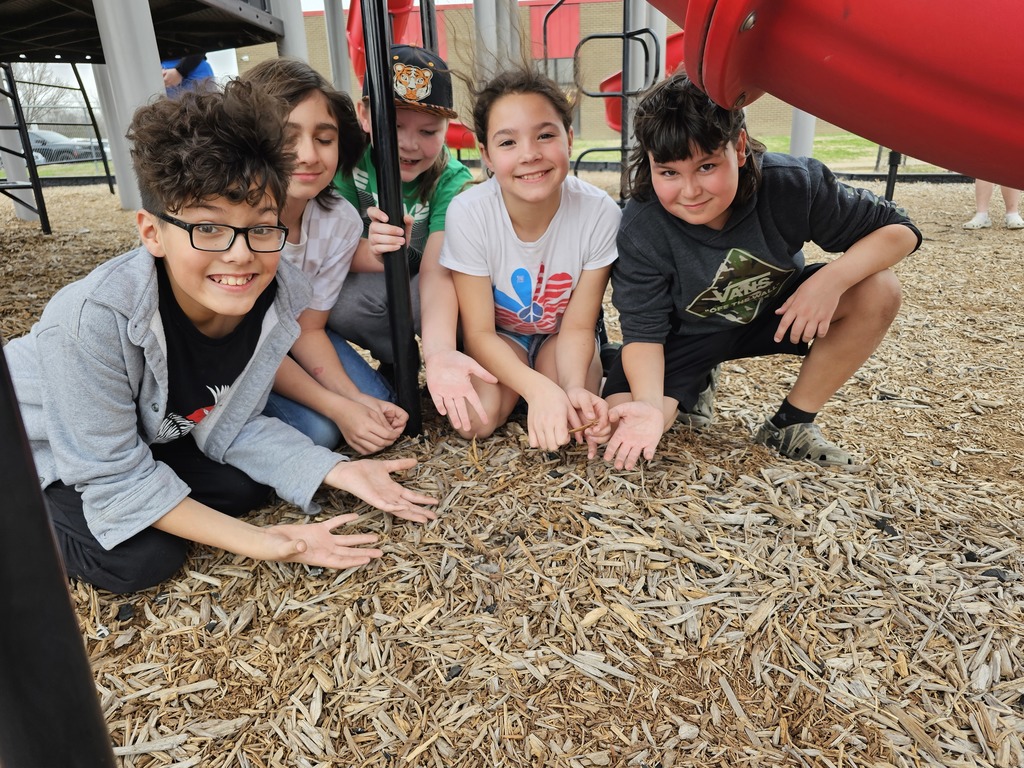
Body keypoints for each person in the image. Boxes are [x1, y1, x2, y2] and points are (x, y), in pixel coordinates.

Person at [3, 80, 437, 595]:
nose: (239, 254)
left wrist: (336, 472)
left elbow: (235, 422)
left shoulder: (273, 296)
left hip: (148, 438)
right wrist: (269, 542)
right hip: (37, 447)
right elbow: (111, 475)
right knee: (141, 561)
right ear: (151, 231)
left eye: (261, 227)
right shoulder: (89, 320)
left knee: (243, 484)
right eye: (208, 228)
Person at [601, 72, 921, 471]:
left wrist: (830, 280)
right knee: (628, 422)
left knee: (878, 287)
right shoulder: (640, 225)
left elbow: (901, 231)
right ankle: (693, 381)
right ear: (649, 163)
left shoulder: (793, 184)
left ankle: (790, 424)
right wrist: (650, 407)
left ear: (739, 147)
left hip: (773, 312)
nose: (689, 190)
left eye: (705, 166)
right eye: (669, 172)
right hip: (682, 336)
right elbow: (644, 334)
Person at [438, 68, 620, 455]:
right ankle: (527, 385)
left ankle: (576, 374)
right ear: (485, 154)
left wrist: (568, 388)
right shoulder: (469, 213)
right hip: (502, 336)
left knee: (577, 418)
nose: (530, 154)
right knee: (475, 422)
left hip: (562, 335)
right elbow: (480, 333)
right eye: (507, 142)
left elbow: (578, 325)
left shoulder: (599, 212)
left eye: (545, 135)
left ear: (569, 139)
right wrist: (537, 389)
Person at [240, 58, 407, 455]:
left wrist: (355, 399)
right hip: (234, 351)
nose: (309, 155)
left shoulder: (339, 219)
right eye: (286, 137)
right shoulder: (237, 225)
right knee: (321, 432)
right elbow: (248, 344)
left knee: (380, 403)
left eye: (324, 138)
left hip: (292, 337)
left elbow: (309, 328)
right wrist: (338, 405)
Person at [328, 45, 497, 431]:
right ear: (365, 115)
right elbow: (333, 252)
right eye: (395, 126)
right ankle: (395, 357)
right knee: (342, 302)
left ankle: (457, 357)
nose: (409, 143)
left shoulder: (450, 179)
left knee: (465, 298)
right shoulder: (345, 162)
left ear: (446, 131)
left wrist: (439, 353)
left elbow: (438, 269)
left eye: (428, 131)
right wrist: (372, 250)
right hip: (373, 281)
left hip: (425, 281)